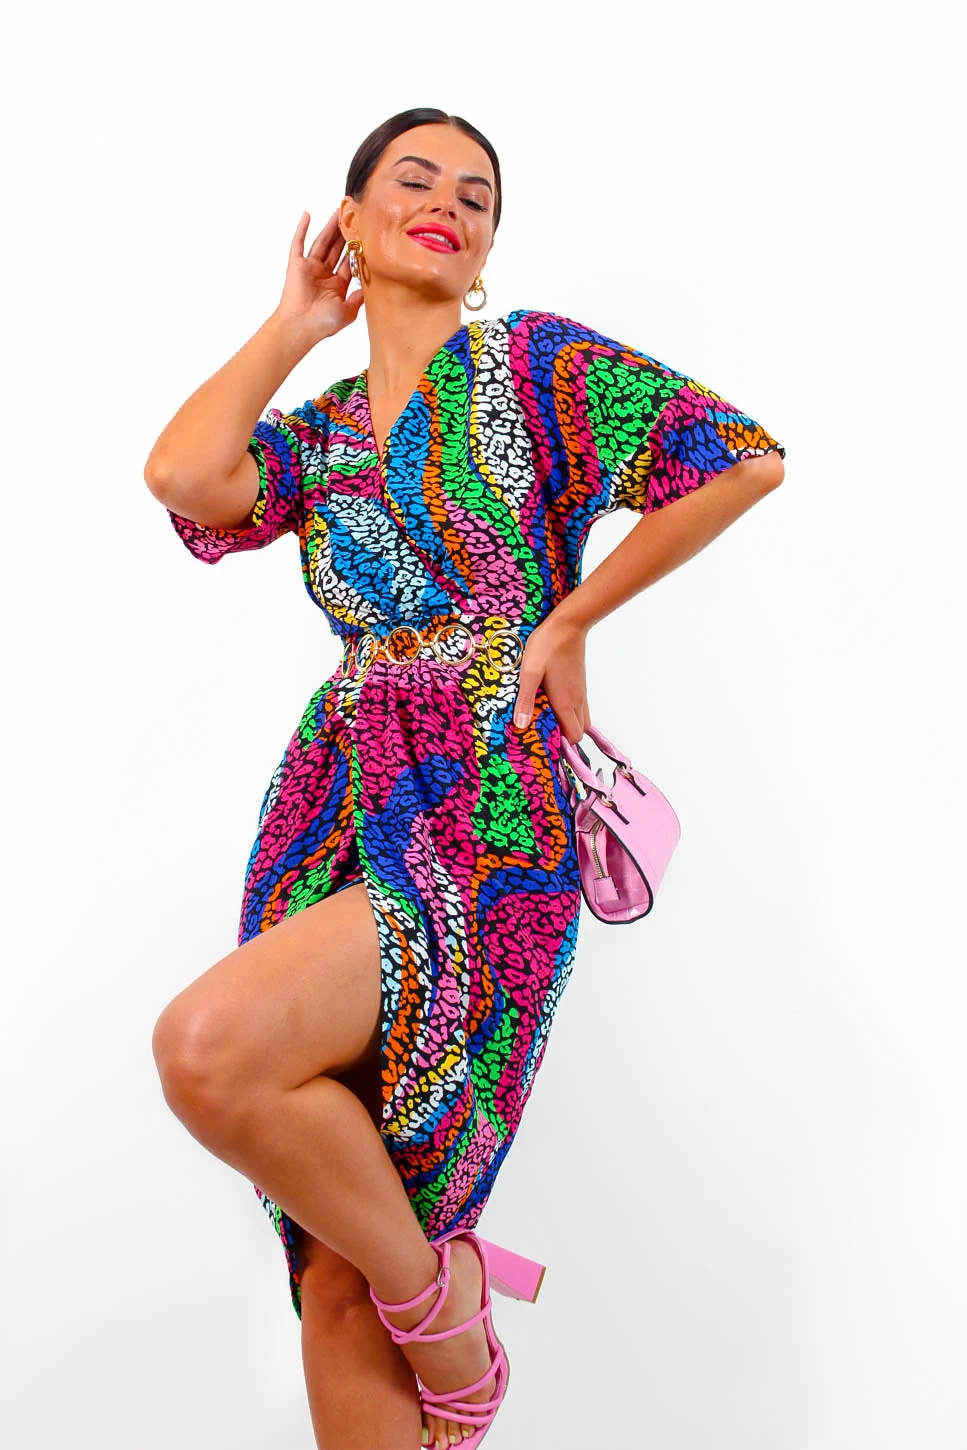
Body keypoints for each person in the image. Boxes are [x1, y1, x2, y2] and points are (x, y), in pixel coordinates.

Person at [144, 106, 785, 1450]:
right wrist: (294, 325)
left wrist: (572, 617)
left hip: (487, 807)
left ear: (488, 247)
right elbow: (186, 476)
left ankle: (444, 1312)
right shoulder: (323, 433)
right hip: (331, 802)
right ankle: (426, 1295)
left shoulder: (535, 365)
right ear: (353, 220)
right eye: (414, 180)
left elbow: (738, 460)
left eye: (477, 196)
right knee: (332, 1275)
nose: (448, 203)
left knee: (212, 1049)